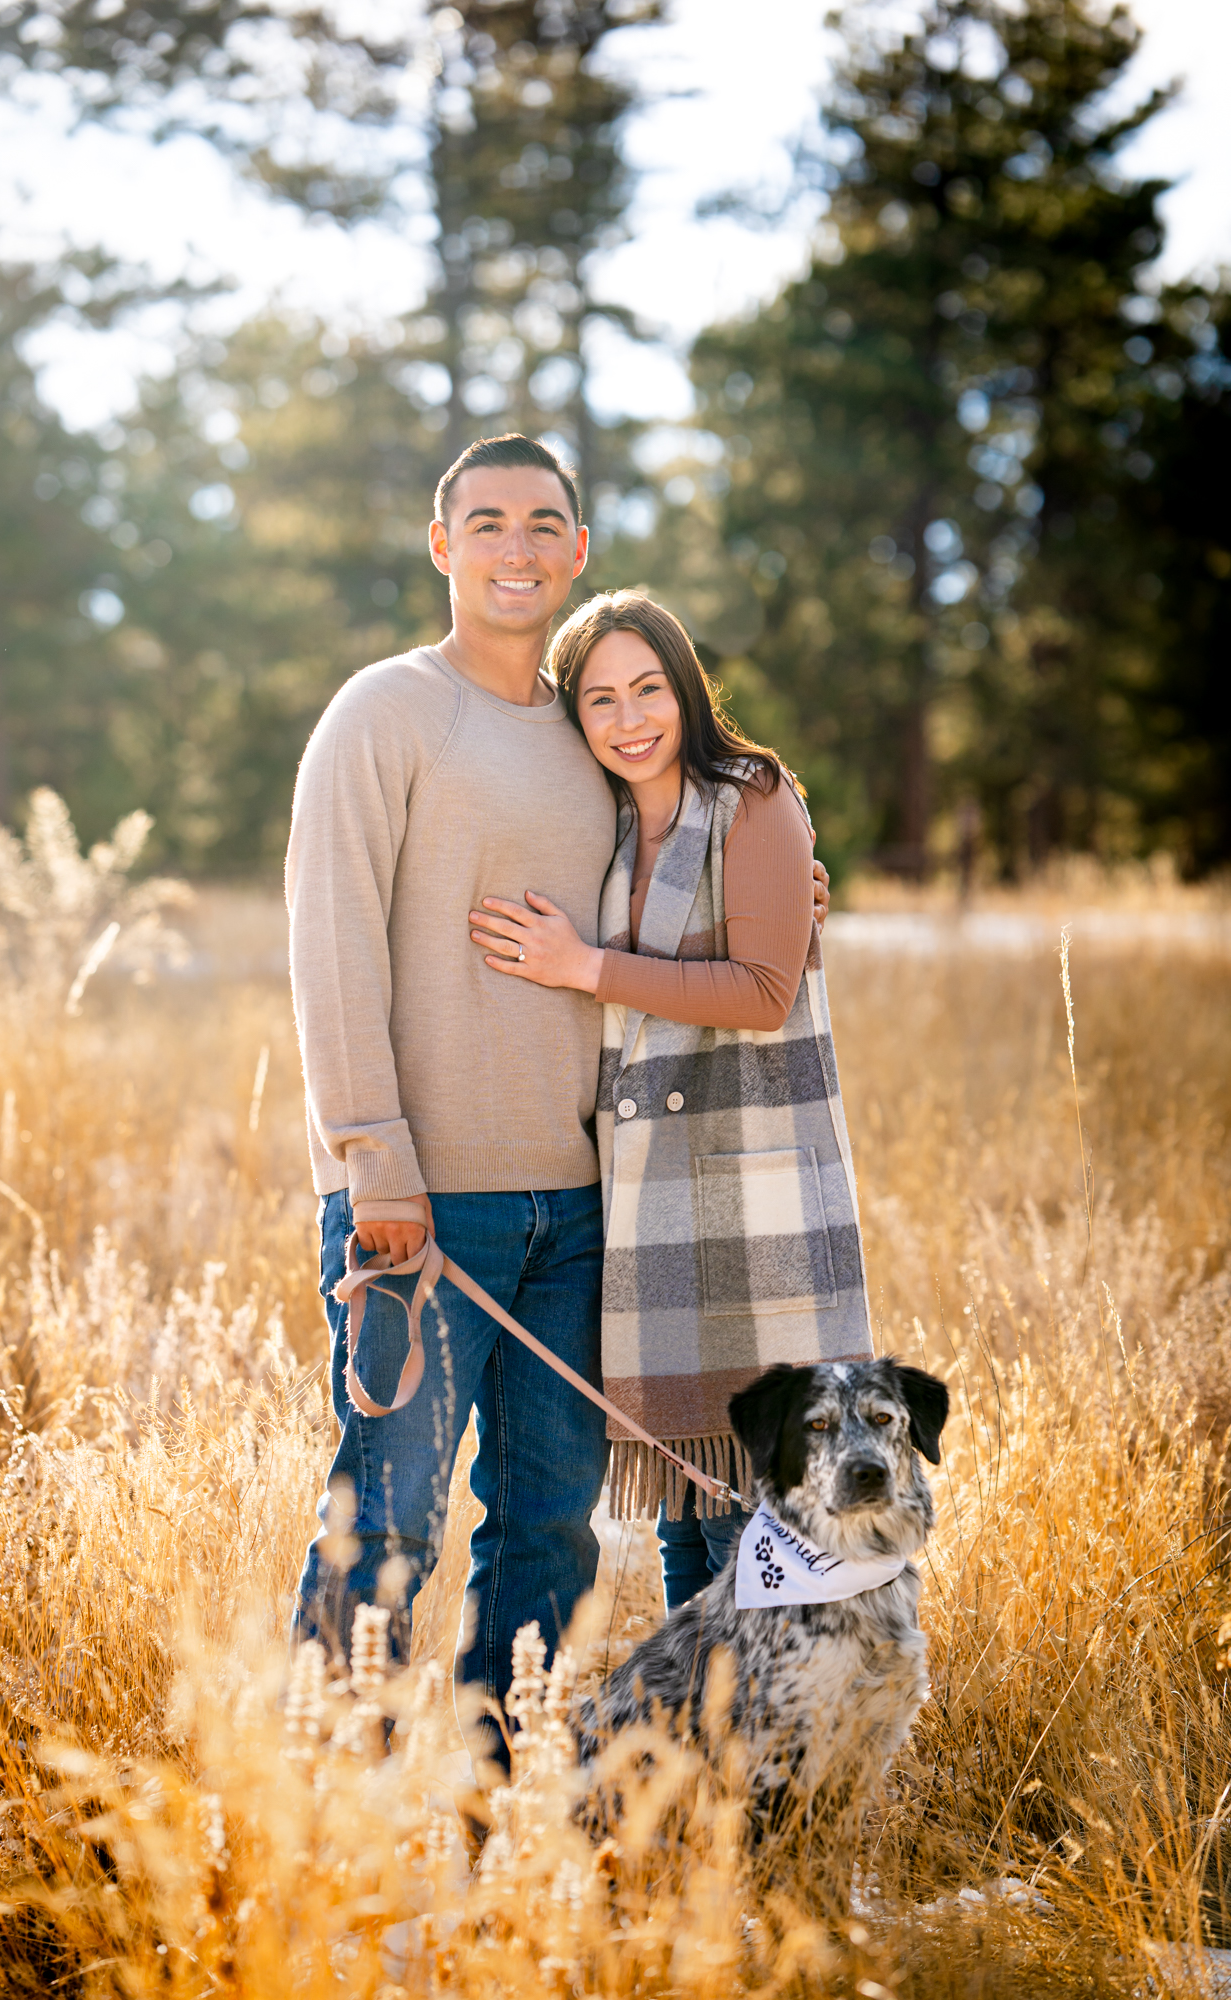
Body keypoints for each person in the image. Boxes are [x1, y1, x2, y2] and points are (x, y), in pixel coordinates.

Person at [287, 438, 831, 1730]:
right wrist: (377, 1165)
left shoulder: (595, 731)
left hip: (587, 1207)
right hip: (426, 1209)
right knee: (389, 1527)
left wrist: (799, 893)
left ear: (578, 550)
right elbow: (330, 941)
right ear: (443, 547)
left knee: (549, 1537)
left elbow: (693, 876)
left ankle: (485, 1802)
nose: (515, 546)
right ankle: (317, 1823)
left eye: (543, 523)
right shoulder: (384, 713)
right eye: (486, 522)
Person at [468, 590, 871, 1613]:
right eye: (599, 698)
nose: (629, 717)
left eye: (648, 687)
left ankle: (777, 1754)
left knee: (762, 1512)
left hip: (756, 1203)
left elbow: (761, 990)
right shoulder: (598, 825)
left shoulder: (754, 797)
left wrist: (585, 965)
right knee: (685, 1516)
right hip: (650, 1208)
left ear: (686, 688)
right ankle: (705, 1748)